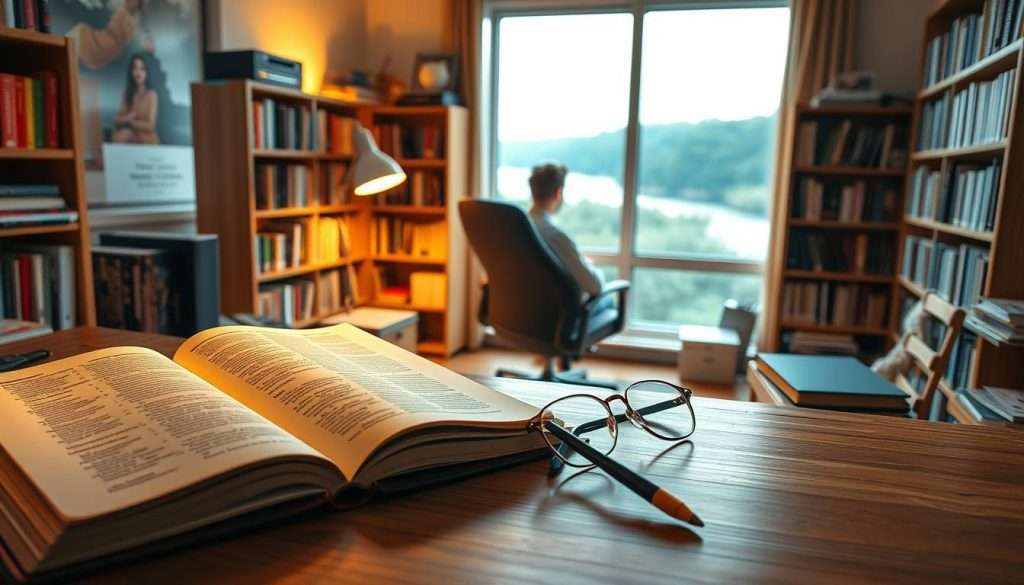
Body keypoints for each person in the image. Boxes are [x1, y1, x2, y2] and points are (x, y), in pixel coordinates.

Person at [527, 163, 606, 300]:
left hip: (524, 309)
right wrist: (591, 267)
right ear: (558, 193)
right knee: (606, 300)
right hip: (555, 312)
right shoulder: (555, 236)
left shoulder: (516, 228)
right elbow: (595, 286)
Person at [112, 53, 160, 144]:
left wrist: (130, 122)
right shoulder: (128, 93)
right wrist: (126, 119)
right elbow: (117, 120)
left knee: (122, 135)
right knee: (118, 135)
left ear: (147, 72)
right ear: (131, 71)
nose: (138, 72)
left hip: (147, 139)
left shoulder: (151, 94)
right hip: (129, 136)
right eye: (135, 68)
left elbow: (150, 126)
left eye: (142, 69)